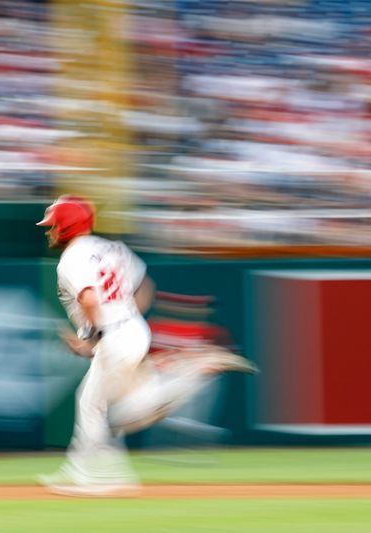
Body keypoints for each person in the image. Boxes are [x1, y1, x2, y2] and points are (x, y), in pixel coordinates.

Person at [35, 195, 255, 497]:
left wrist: (93, 338)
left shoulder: (71, 258)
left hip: (113, 336)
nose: (50, 230)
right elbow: (144, 285)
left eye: (54, 224)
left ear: (66, 227)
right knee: (115, 407)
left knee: (101, 407)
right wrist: (123, 320)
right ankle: (94, 473)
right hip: (133, 329)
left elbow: (88, 298)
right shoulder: (111, 247)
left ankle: (94, 475)